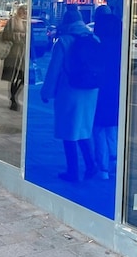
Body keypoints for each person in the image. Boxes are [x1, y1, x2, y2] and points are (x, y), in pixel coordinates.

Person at [40, 10, 99, 182]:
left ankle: (73, 171)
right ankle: (91, 165)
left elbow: (54, 70)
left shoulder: (64, 41)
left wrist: (46, 93)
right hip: (90, 91)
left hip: (70, 91)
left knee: (69, 131)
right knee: (83, 129)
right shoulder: (94, 39)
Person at [91, 6, 122, 180]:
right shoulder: (120, 33)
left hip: (101, 86)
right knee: (112, 127)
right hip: (116, 86)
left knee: (98, 128)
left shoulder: (98, 37)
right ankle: (115, 161)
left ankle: (102, 169)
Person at [0, 4, 27, 111]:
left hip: (22, 53)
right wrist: (17, 36)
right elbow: (5, 35)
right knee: (14, 77)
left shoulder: (25, 23)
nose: (23, 13)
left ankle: (14, 96)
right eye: (22, 11)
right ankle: (13, 99)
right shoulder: (12, 21)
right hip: (14, 53)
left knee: (22, 77)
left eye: (24, 11)